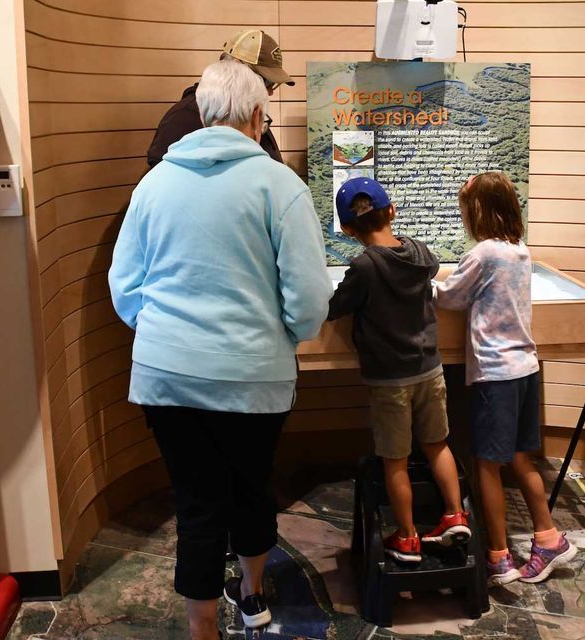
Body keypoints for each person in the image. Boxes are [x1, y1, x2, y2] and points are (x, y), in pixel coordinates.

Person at [108, 60, 331, 638]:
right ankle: (253, 596)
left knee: (197, 503)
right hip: (253, 376)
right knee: (251, 488)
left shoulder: (154, 183)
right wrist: (281, 332)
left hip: (167, 376)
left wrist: (164, 334)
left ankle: (201, 626)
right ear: (258, 116)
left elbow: (124, 287)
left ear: (203, 113)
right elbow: (308, 300)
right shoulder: (282, 187)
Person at [435, 171, 576, 585]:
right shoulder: (519, 250)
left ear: (477, 210)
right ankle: (548, 537)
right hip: (525, 368)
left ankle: (497, 553)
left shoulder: (484, 254)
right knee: (519, 458)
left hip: (495, 373)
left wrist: (414, 283)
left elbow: (450, 298)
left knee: (486, 464)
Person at [327, 177, 471, 563]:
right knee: (437, 444)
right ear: (392, 211)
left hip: (390, 380)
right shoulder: (419, 252)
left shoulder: (364, 266)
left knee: (395, 459)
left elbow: (335, 306)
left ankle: (407, 537)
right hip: (430, 370)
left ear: (346, 229)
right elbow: (433, 267)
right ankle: (455, 515)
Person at [146, 29, 293, 168]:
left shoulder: (250, 113)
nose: (270, 92)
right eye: (266, 81)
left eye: (273, 84)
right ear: (234, 68)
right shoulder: (182, 118)